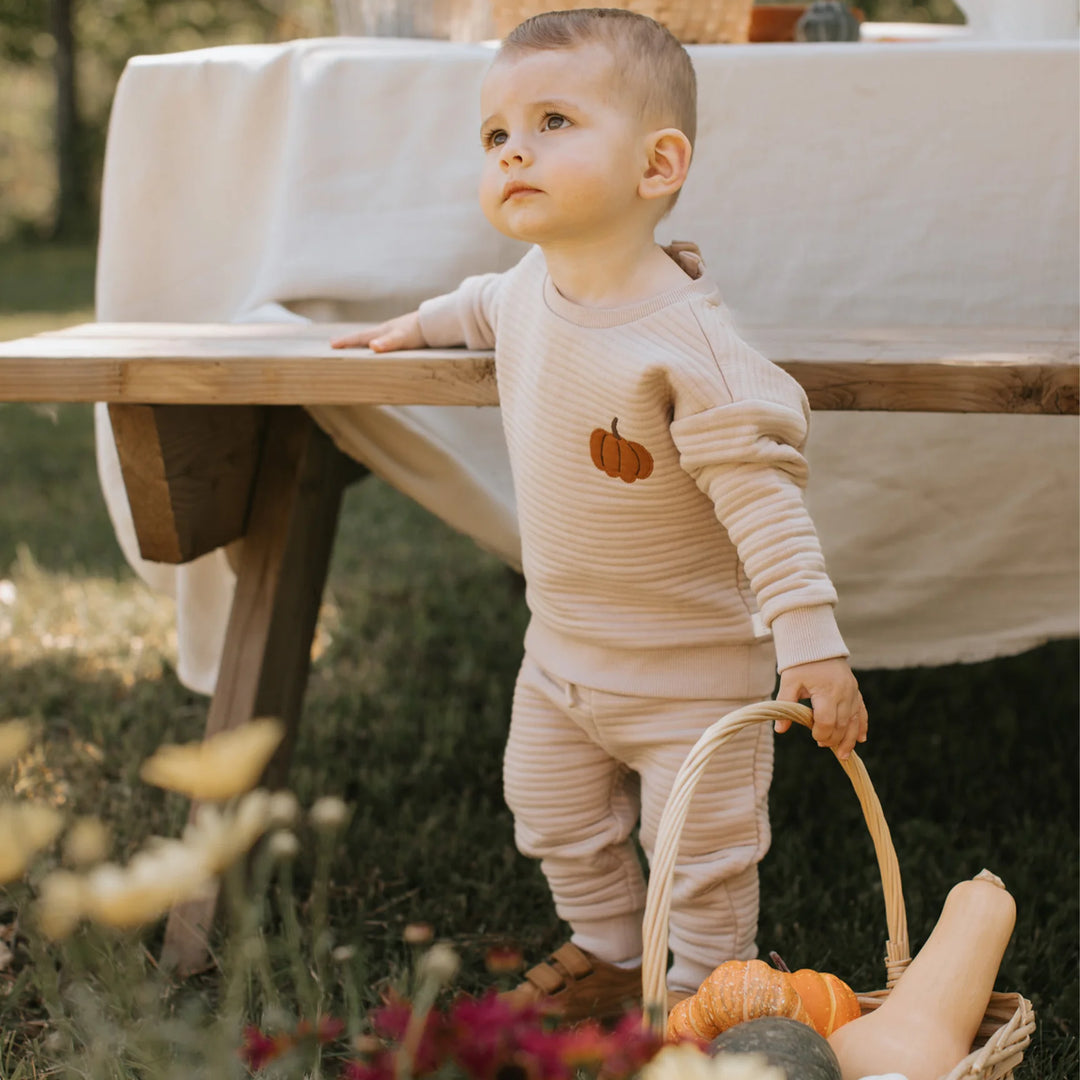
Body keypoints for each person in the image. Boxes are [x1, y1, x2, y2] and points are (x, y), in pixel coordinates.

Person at [331, 7, 868, 1022]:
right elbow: (490, 300)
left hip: (692, 677)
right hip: (564, 654)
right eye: (496, 136)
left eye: (553, 122)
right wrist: (425, 322)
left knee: (700, 861)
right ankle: (613, 948)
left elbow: (766, 508)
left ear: (658, 165)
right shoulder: (538, 286)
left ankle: (702, 1001)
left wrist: (812, 644)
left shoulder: (687, 350)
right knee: (549, 812)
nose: (514, 149)